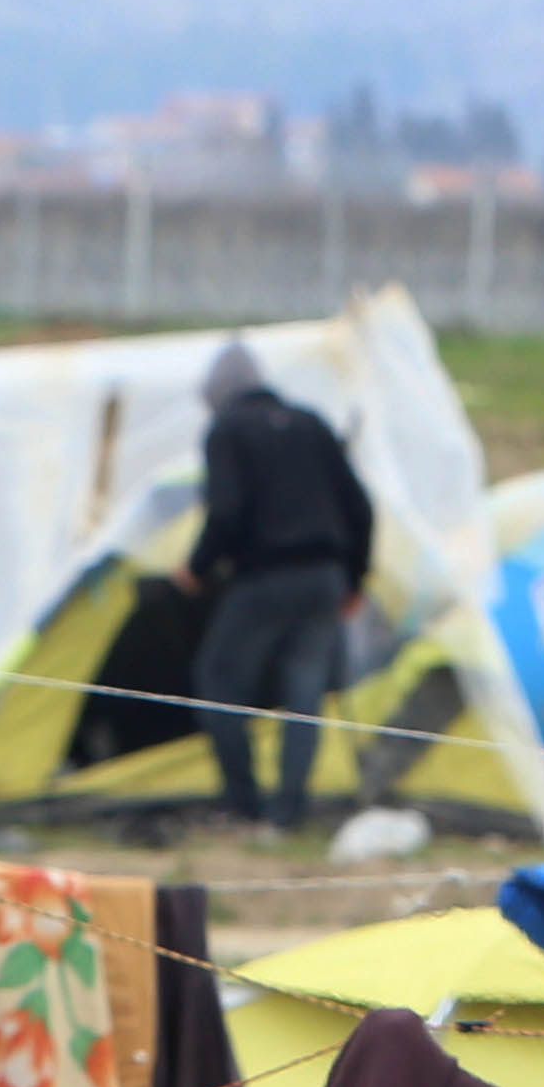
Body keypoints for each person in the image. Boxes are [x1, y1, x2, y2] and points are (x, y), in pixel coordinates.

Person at [182, 342, 376, 832]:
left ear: (219, 394)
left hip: (265, 579)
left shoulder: (226, 430)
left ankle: (242, 804)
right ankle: (288, 814)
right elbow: (360, 507)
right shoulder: (311, 423)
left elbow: (225, 512)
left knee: (219, 681)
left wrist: (196, 568)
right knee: (304, 695)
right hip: (324, 581)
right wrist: (354, 580)